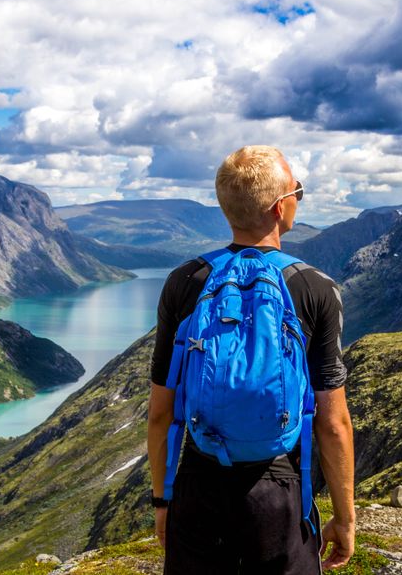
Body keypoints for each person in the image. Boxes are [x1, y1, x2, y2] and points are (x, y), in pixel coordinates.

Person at [147, 145, 355, 573]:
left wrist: (163, 501)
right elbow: (332, 422)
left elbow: (161, 413)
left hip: (199, 482)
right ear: (281, 208)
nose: (299, 197)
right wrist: (345, 517)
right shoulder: (314, 287)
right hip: (279, 489)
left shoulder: (185, 281)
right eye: (298, 190)